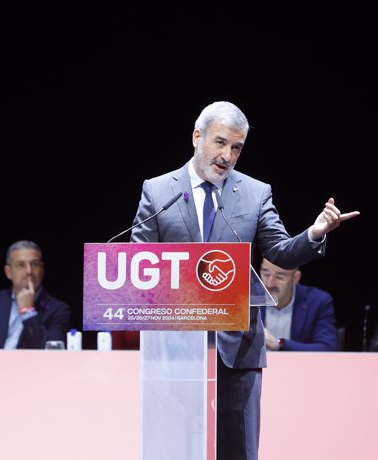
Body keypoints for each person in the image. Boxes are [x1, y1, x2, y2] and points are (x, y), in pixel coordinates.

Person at [128, 100, 359, 459]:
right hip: (174, 350)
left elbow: (279, 251)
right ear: (196, 136)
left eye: (237, 148)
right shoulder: (158, 191)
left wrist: (314, 233)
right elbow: (138, 263)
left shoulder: (254, 192)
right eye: (220, 143)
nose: (228, 155)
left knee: (238, 451)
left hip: (236, 350)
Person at [0, 240, 71, 349]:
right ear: (8, 272)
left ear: (42, 269)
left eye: (34, 264)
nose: (29, 271)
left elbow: (52, 352)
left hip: (31, 366)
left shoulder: (58, 309)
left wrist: (28, 311)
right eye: (21, 265)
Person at [259, 257, 338, 351]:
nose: (269, 284)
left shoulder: (318, 301)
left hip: (300, 365)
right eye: (266, 274)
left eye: (280, 277)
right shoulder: (245, 299)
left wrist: (279, 344)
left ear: (296, 278)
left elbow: (327, 348)